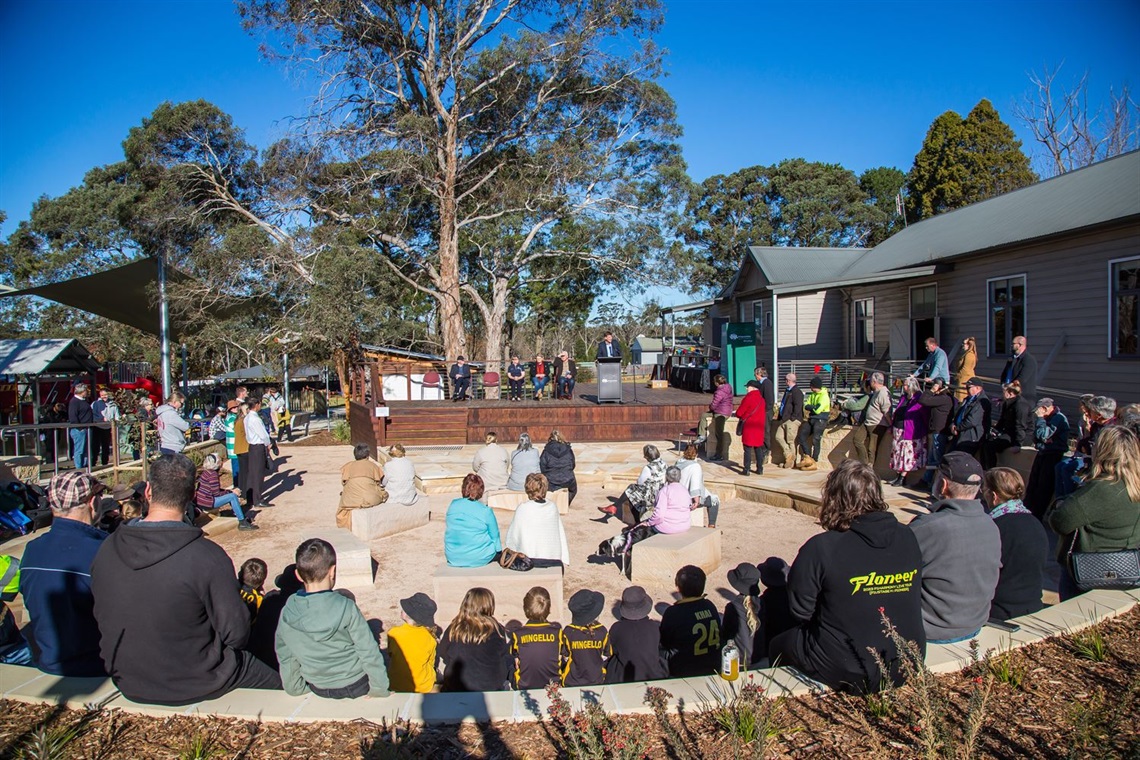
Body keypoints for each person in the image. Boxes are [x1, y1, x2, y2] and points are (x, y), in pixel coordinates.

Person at [91, 454, 282, 705]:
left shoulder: (108, 548)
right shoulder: (207, 557)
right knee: (283, 686)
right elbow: (236, 635)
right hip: (196, 679)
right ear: (192, 496)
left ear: (148, 491)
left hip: (127, 678)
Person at [768, 460, 926, 693]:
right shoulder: (908, 536)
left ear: (834, 498)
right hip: (908, 660)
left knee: (777, 644)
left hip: (849, 666)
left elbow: (801, 610)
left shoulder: (823, 547)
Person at [275, 538, 390, 699]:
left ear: (298, 575)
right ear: (333, 571)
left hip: (317, 686)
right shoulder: (346, 606)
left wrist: (294, 687)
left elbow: (285, 653)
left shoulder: (288, 611)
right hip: (356, 683)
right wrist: (379, 689)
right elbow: (368, 650)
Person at [18, 471, 108, 676]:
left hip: (48, 663)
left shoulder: (32, 550)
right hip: (97, 667)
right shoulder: (104, 551)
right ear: (92, 502)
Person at [909, 452, 1001, 643]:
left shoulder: (927, 527)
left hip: (932, 630)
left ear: (942, 485)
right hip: (974, 625)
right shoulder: (991, 525)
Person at [1048, 425, 1140, 600]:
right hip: (1126, 569)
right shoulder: (1134, 486)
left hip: (1087, 570)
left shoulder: (1102, 489)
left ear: (1104, 452)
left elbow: (1059, 522)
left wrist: (1059, 503)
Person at [981, 468, 1047, 620]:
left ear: (994, 496)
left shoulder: (994, 528)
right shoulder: (1035, 523)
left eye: (984, 491)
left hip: (1000, 610)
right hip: (1033, 605)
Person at [439, 587, 513, 691]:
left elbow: (442, 652)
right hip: (490, 686)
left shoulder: (454, 628)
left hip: (457, 687)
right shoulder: (497, 628)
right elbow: (503, 653)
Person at [659, 565, 722, 678]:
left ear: (677, 588)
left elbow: (664, 642)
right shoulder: (710, 606)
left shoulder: (673, 612)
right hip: (712, 665)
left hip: (683, 669)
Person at [504, 474, 570, 567]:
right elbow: (559, 534)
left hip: (529, 560)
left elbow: (513, 537)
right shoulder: (552, 506)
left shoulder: (523, 508)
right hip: (552, 559)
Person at [604, 586, 667, 683]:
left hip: (624, 676)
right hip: (652, 674)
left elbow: (614, 650)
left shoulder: (616, 628)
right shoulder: (654, 627)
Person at [510, 586, 567, 690]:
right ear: (548, 609)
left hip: (524, 685)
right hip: (553, 685)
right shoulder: (557, 633)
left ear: (525, 609)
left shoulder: (517, 634)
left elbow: (516, 660)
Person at [1025, 397, 1070, 519]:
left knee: (1043, 487)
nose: (1038, 414)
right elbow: (1037, 437)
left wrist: (1040, 421)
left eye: (1039, 411)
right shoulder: (1045, 420)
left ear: (1044, 408)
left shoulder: (1058, 418)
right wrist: (1043, 439)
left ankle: (1036, 515)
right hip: (1042, 452)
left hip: (1052, 455)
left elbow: (1043, 434)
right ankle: (1026, 512)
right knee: (1033, 484)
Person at [387, 592, 441, 693]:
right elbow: (431, 663)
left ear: (407, 615)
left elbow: (390, 654)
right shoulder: (430, 638)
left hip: (397, 685)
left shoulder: (393, 633)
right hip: (423, 686)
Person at [444, 474, 501, 568]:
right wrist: (499, 551)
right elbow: (495, 536)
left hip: (453, 556)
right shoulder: (485, 511)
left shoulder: (453, 505)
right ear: (481, 491)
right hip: (479, 557)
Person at [599, 444, 664, 519]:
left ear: (646, 456)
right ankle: (613, 507)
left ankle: (614, 506)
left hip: (651, 496)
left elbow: (639, 482)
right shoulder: (663, 463)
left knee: (631, 488)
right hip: (661, 492)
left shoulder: (648, 468)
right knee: (633, 489)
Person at [982, 381, 1034, 470]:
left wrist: (1018, 444)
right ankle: (984, 469)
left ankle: (991, 470)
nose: (1002, 394)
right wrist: (995, 431)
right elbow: (1002, 420)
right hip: (1009, 432)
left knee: (990, 446)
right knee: (984, 442)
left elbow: (1020, 425)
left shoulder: (1020, 405)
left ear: (1010, 393)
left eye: (1003, 392)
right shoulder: (1007, 403)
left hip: (1021, 435)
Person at [197, 453, 256, 531]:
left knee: (231, 494)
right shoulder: (213, 475)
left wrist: (229, 491)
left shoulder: (206, 472)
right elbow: (216, 494)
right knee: (233, 497)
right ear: (217, 463)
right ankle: (242, 522)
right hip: (208, 502)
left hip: (201, 501)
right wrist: (231, 492)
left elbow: (214, 489)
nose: (222, 462)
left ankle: (238, 514)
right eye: (220, 460)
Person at [561, 590, 608, 687]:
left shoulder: (568, 631)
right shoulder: (602, 631)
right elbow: (606, 655)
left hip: (572, 680)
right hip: (597, 679)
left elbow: (565, 657)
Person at [887, 377, 929, 487]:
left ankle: (902, 478)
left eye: (905, 385)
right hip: (898, 429)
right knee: (897, 454)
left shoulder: (919, 398)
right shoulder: (904, 397)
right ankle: (898, 476)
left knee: (906, 455)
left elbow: (924, 415)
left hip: (910, 432)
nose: (904, 387)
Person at [721, 563, 764, 669]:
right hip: (760, 657)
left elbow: (725, 635)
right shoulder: (764, 604)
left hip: (739, 660)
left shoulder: (732, 607)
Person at [337, 443, 387, 529]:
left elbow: (344, 482)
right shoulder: (373, 466)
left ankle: (344, 528)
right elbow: (380, 481)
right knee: (383, 493)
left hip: (350, 501)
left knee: (342, 502)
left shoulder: (348, 466)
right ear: (367, 455)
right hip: (371, 499)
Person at [918, 378, 955, 490]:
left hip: (939, 432)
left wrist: (932, 390)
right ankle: (926, 481)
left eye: (935, 385)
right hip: (935, 431)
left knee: (936, 459)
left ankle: (934, 485)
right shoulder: (941, 398)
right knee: (932, 459)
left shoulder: (945, 398)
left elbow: (923, 400)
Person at [853, 372, 893, 469]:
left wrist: (891, 425)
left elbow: (887, 412)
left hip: (877, 424)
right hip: (867, 422)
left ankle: (869, 469)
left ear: (874, 381)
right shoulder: (876, 392)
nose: (869, 383)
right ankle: (865, 463)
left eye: (870, 381)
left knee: (872, 448)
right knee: (857, 440)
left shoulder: (884, 393)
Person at [677, 444, 719, 528]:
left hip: (678, 495)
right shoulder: (695, 466)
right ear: (696, 454)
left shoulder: (678, 463)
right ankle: (711, 525)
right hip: (688, 498)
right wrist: (696, 501)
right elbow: (694, 486)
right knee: (715, 500)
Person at [644, 466, 693, 535]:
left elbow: (659, 516)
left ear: (666, 477)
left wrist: (648, 523)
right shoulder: (685, 490)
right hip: (685, 525)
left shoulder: (664, 491)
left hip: (667, 527)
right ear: (680, 477)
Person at [795, 377, 831, 471]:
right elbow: (806, 405)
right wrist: (812, 407)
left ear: (814, 386)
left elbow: (817, 409)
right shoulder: (812, 394)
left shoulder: (824, 396)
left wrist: (812, 407)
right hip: (812, 419)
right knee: (801, 436)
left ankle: (814, 461)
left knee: (816, 440)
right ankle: (808, 457)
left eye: (811, 386)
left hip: (820, 420)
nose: (810, 388)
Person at [949, 377, 990, 456]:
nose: (966, 389)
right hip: (959, 435)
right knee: (950, 459)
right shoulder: (967, 399)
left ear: (978, 388)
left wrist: (957, 428)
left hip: (970, 437)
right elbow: (957, 413)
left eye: (969, 387)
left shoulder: (981, 402)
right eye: (966, 387)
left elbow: (972, 421)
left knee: (961, 461)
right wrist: (953, 424)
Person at [244, 398, 272, 510]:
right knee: (258, 473)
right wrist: (268, 444)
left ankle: (251, 498)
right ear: (256, 405)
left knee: (252, 473)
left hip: (251, 446)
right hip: (258, 447)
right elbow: (263, 434)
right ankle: (258, 499)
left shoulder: (247, 418)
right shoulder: (255, 419)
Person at [734, 379, 767, 476]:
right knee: (758, 448)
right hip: (759, 427)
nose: (746, 389)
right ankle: (760, 468)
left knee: (747, 448)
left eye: (747, 387)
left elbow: (740, 412)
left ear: (752, 388)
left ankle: (747, 469)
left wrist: (738, 414)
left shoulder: (748, 398)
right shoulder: (762, 399)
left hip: (749, 426)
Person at [697, 374, 733, 460]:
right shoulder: (728, 387)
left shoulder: (719, 392)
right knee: (704, 415)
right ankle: (702, 435)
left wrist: (711, 408)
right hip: (727, 410)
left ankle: (719, 454)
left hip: (721, 413)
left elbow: (714, 404)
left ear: (717, 383)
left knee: (718, 434)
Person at [774, 373, 804, 468]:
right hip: (784, 419)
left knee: (790, 440)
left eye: (786, 380)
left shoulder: (796, 392)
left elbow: (798, 406)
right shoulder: (787, 391)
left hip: (792, 420)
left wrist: (793, 417)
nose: (785, 381)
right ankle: (788, 455)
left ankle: (791, 462)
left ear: (789, 381)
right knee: (778, 436)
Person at [540, 429, 577, 504]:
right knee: (573, 490)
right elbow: (572, 464)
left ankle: (551, 504)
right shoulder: (568, 450)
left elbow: (542, 466)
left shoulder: (546, 450)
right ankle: (566, 503)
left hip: (551, 479)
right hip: (567, 479)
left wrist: (547, 474)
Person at [1001, 336, 1037, 402]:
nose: (1011, 346)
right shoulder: (1012, 359)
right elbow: (1005, 374)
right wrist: (1004, 385)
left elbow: (1022, 379)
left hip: (1023, 398)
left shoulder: (1028, 360)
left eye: (1013, 344)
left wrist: (1010, 388)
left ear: (1020, 345)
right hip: (1009, 395)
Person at [154, 391, 190, 456]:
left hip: (165, 445)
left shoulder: (161, 413)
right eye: (181, 403)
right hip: (173, 446)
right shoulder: (171, 414)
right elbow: (185, 426)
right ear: (175, 402)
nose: (182, 406)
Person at [754, 367, 777, 465]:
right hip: (763, 411)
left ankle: (766, 451)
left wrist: (765, 411)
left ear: (759, 374)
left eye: (755, 375)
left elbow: (769, 400)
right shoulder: (762, 383)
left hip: (766, 412)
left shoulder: (766, 383)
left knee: (765, 432)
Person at [68, 383, 93, 469]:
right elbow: (73, 416)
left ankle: (86, 466)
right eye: (86, 390)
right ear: (82, 391)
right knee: (80, 450)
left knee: (86, 450)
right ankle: (79, 468)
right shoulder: (74, 401)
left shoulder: (84, 400)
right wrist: (80, 428)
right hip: (79, 430)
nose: (87, 392)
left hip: (87, 429)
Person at [90, 388, 114, 467]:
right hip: (98, 426)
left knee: (105, 445)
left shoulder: (111, 403)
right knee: (95, 446)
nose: (104, 396)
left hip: (107, 427)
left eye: (106, 395)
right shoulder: (95, 403)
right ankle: (93, 462)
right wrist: (101, 418)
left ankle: (105, 462)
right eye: (102, 395)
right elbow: (93, 414)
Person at [952, 337, 978, 402]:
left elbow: (965, 369)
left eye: (964, 344)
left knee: (961, 399)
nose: (962, 345)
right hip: (963, 378)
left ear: (969, 345)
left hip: (965, 379)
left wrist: (957, 376)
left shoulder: (969, 355)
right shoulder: (967, 354)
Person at [224, 399, 242, 489]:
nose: (235, 408)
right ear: (230, 409)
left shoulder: (235, 417)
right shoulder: (230, 419)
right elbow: (237, 430)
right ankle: (236, 486)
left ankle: (239, 485)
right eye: (233, 408)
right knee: (236, 468)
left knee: (238, 466)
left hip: (236, 445)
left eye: (236, 407)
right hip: (233, 446)